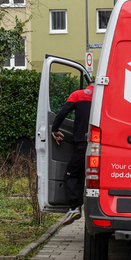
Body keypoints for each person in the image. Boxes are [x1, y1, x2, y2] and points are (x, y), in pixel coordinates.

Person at [51, 78, 95, 226]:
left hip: (81, 145)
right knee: (95, 178)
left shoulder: (78, 95)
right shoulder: (106, 96)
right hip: (101, 145)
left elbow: (63, 113)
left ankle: (74, 207)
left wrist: (54, 129)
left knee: (71, 175)